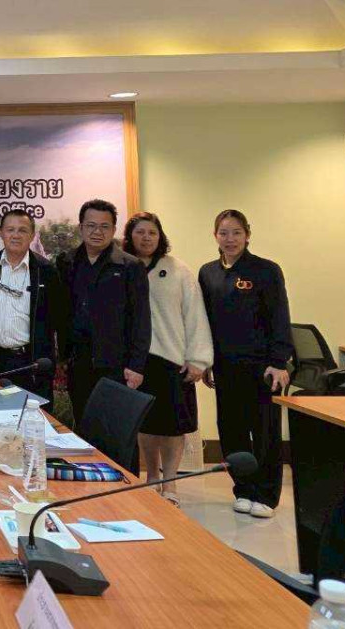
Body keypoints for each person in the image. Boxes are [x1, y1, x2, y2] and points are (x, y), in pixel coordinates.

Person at [199, 209, 292, 520]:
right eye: (224, 233)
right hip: (225, 367)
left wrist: (279, 361)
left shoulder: (266, 270)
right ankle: (243, 490)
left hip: (263, 368)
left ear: (247, 235)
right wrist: (206, 360)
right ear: (215, 236)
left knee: (265, 432)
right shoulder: (208, 273)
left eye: (236, 232)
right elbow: (205, 321)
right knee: (231, 430)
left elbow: (280, 317)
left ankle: (266, 495)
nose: (230, 239)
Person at [124, 211, 212, 506]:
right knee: (146, 425)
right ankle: (152, 477)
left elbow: (195, 314)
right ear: (130, 236)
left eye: (152, 232)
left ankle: (170, 482)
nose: (146, 237)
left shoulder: (177, 270)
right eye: (140, 232)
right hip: (137, 361)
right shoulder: (124, 267)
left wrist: (198, 359)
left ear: (160, 236)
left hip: (173, 359)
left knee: (173, 426)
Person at [54, 199, 152, 427]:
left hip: (117, 366)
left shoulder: (130, 266)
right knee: (84, 427)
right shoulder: (67, 262)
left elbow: (141, 320)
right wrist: (63, 357)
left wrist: (136, 366)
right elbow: (62, 312)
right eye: (91, 225)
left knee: (116, 430)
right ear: (81, 227)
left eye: (104, 226)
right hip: (78, 364)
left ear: (114, 229)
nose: (97, 232)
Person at [0, 209, 67, 402]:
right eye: (10, 229)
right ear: (1, 233)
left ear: (32, 235)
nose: (16, 235)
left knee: (37, 416)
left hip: (34, 363)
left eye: (22, 230)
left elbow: (59, 317)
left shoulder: (47, 270)